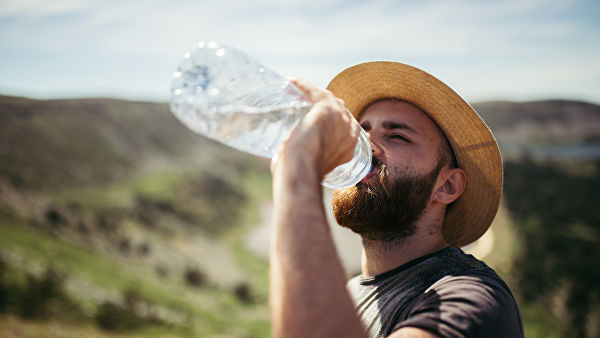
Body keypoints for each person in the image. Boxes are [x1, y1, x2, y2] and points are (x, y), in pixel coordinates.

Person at [268, 61, 524, 338]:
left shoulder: (474, 297)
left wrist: (296, 171)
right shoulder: (349, 294)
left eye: (397, 136)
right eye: (360, 132)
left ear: (447, 185)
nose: (364, 147)